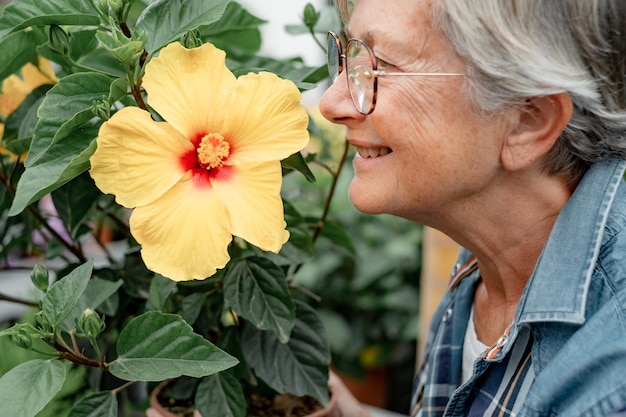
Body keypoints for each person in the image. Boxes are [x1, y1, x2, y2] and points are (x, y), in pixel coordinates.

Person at [318, 0, 626, 416]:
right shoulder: (490, 258)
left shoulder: (610, 378)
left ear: (526, 121)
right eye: (352, 55)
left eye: (383, 66)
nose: (332, 104)